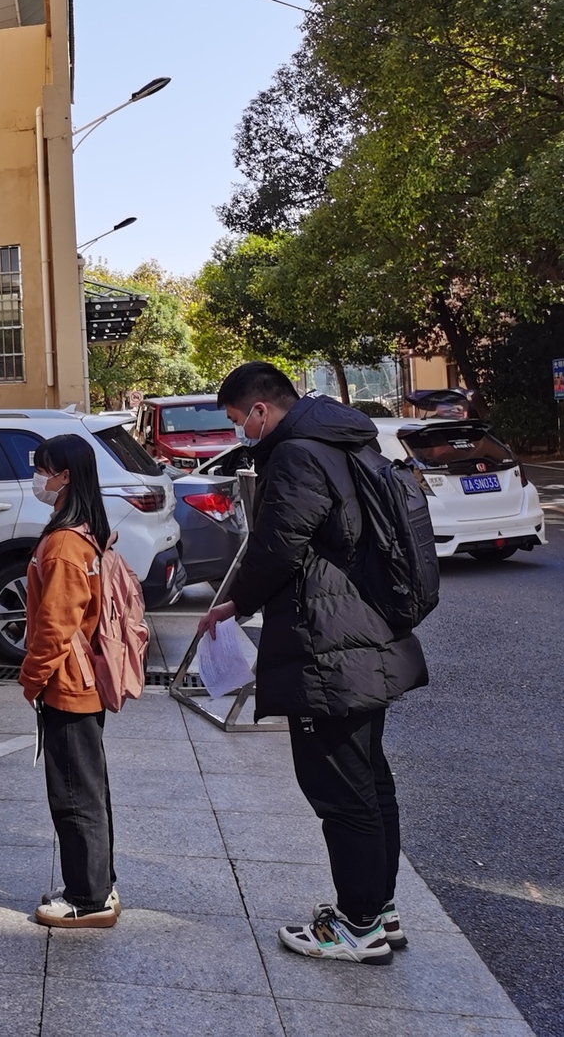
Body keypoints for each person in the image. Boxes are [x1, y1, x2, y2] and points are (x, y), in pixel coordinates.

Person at [198, 362, 427, 966]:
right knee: (370, 783)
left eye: (237, 420)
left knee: (342, 792)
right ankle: (378, 909)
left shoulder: (298, 454)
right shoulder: (344, 440)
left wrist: (234, 602)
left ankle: (358, 927)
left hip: (330, 646)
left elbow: (278, 545)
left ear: (260, 410)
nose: (240, 432)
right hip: (367, 632)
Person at [18, 433, 120, 929]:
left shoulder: (62, 544)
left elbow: (55, 625)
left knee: (74, 793)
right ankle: (98, 883)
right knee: (89, 787)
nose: (38, 477)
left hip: (68, 683)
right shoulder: (85, 532)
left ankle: (88, 898)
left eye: (44, 469)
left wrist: (31, 678)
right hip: (85, 678)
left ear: (65, 477)